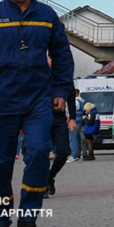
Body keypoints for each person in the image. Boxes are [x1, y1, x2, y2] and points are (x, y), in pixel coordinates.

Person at [0, 0, 74, 227]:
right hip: (0, 102)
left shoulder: (47, 16)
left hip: (38, 102)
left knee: (37, 157)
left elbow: (61, 57)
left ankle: (29, 219)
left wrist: (60, 93)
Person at [45, 57, 76, 196]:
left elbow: (71, 97)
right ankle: (42, 185)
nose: (51, 62)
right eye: (49, 59)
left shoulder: (64, 76)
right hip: (41, 118)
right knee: (41, 152)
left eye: (53, 59)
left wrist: (73, 119)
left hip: (59, 118)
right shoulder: (39, 73)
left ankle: (50, 177)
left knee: (64, 152)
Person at [68, 88, 84, 162]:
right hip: (80, 120)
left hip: (74, 121)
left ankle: (74, 155)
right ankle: (77, 154)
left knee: (73, 139)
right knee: (77, 139)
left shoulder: (75, 101)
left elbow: (70, 113)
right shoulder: (82, 101)